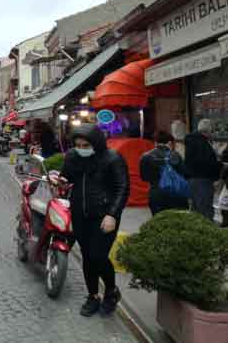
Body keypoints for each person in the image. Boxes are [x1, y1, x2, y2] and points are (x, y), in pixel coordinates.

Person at [61, 123, 129, 317]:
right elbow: (67, 177)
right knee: (87, 257)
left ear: (96, 142)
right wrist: (61, 180)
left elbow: (122, 188)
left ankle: (111, 291)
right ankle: (93, 296)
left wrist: (112, 215)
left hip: (104, 216)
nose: (81, 149)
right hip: (80, 215)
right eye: (78, 145)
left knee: (98, 255)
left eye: (85, 145)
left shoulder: (112, 158)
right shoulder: (73, 157)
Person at [139, 131, 189, 216]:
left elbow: (144, 177)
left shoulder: (146, 156)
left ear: (155, 142)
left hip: (156, 193)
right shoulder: (176, 155)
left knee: (159, 221)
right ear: (169, 142)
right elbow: (184, 173)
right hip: (176, 192)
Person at [184, 119, 221, 220]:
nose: (214, 134)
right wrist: (221, 165)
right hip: (203, 181)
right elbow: (207, 163)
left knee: (196, 210)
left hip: (192, 180)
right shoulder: (202, 143)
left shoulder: (193, 140)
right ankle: (207, 232)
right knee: (205, 210)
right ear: (208, 131)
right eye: (213, 131)